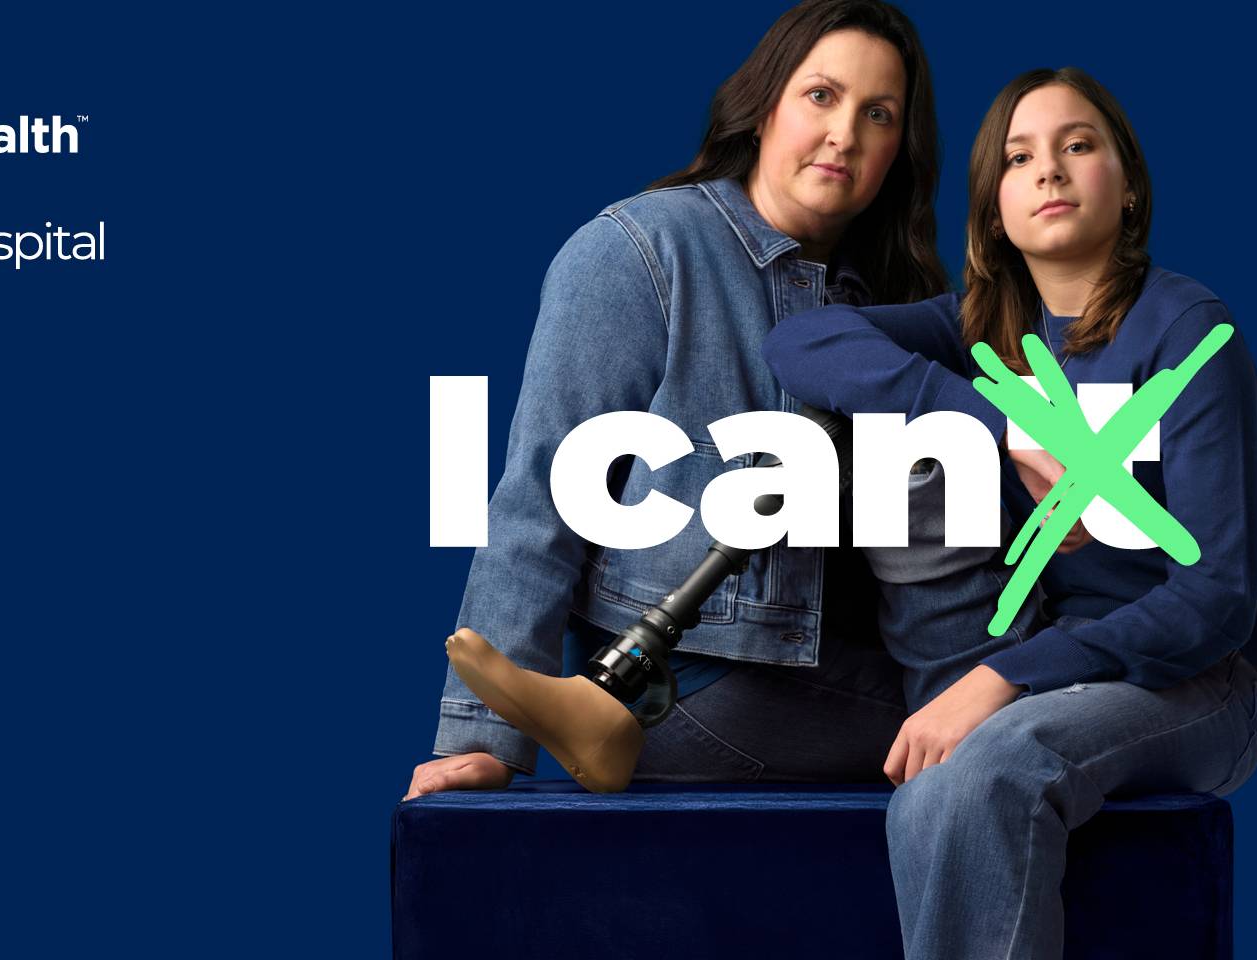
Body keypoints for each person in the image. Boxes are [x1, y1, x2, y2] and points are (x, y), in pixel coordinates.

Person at [407, 0, 1029, 800]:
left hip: (830, 666)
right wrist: (484, 737)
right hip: (688, 689)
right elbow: (541, 492)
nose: (845, 134)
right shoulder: (642, 250)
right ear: (764, 107)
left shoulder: (888, 299)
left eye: (879, 115)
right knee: (1030, 726)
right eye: (821, 96)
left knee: (1041, 695)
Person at [763, 67, 1257, 959]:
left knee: (990, 770)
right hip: (1063, 665)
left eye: (1078, 145)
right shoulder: (985, 333)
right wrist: (999, 423)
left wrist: (1005, 677)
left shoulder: (1187, 331)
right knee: (932, 789)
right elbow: (799, 341)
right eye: (1018, 157)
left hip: (1204, 680)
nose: (1049, 170)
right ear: (993, 209)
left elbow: (1215, 602)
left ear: (1129, 184)